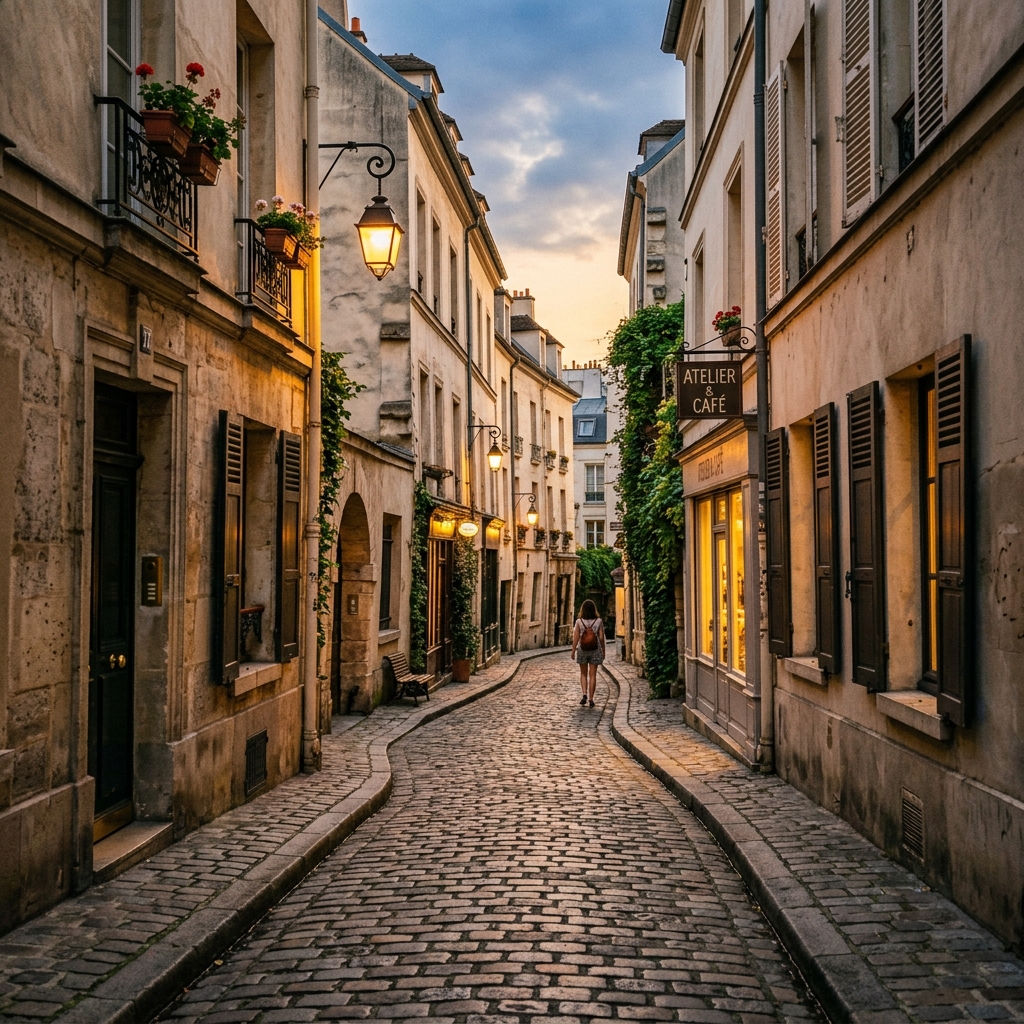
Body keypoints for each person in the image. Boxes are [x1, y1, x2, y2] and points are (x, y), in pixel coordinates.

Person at [571, 599, 606, 707]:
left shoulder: (579, 622)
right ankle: (591, 698)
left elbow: (576, 637)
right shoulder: (599, 621)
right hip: (595, 649)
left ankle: (584, 694)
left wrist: (573, 651)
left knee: (583, 673)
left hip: (582, 649)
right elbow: (601, 637)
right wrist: (603, 650)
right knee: (593, 675)